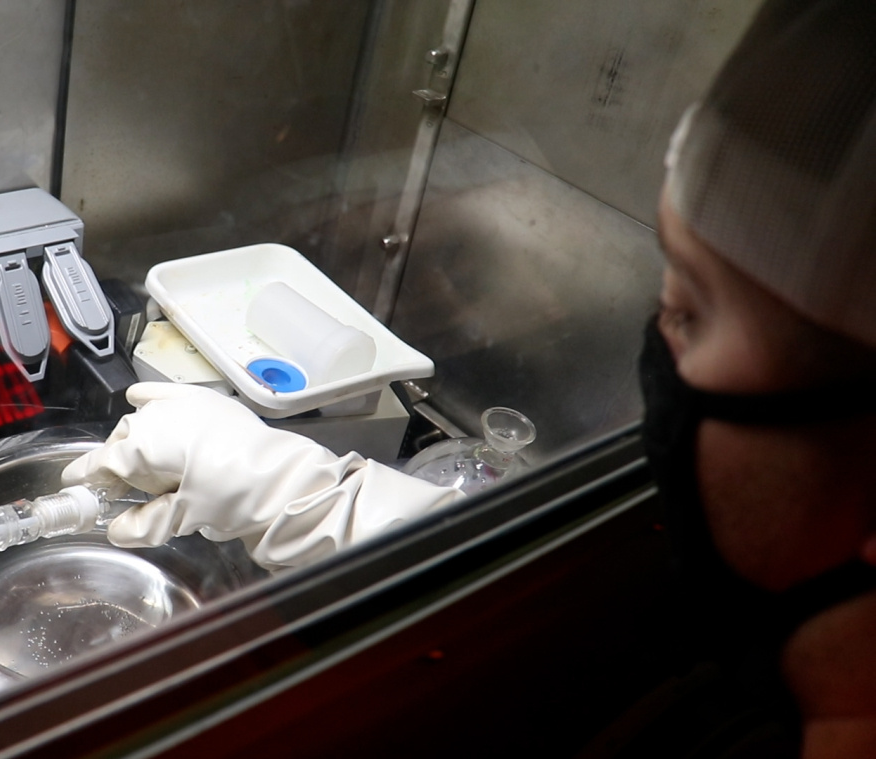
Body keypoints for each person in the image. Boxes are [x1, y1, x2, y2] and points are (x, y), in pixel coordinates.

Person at [65, 0, 876, 754]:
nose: (659, 343)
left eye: (692, 310)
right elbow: (568, 615)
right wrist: (302, 498)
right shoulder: (779, 657)